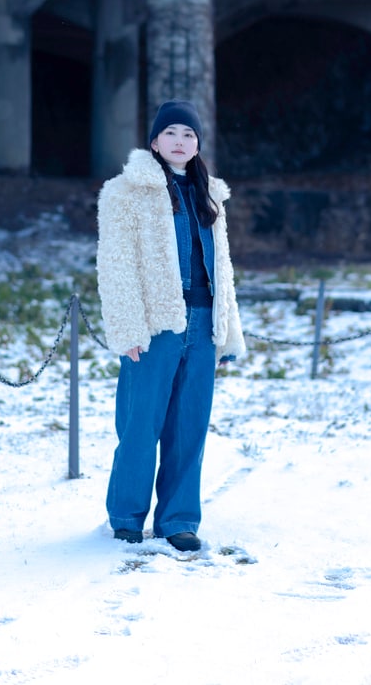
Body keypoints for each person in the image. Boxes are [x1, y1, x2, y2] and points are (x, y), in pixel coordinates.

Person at [96, 99, 245, 552]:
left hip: (202, 326)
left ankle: (178, 519)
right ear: (155, 141)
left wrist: (226, 330)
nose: (180, 142)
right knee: (141, 425)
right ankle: (127, 517)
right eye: (172, 133)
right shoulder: (126, 192)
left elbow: (223, 267)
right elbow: (115, 264)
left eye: (189, 135)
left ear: (197, 144)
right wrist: (127, 329)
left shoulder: (210, 194)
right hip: (155, 325)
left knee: (189, 428)